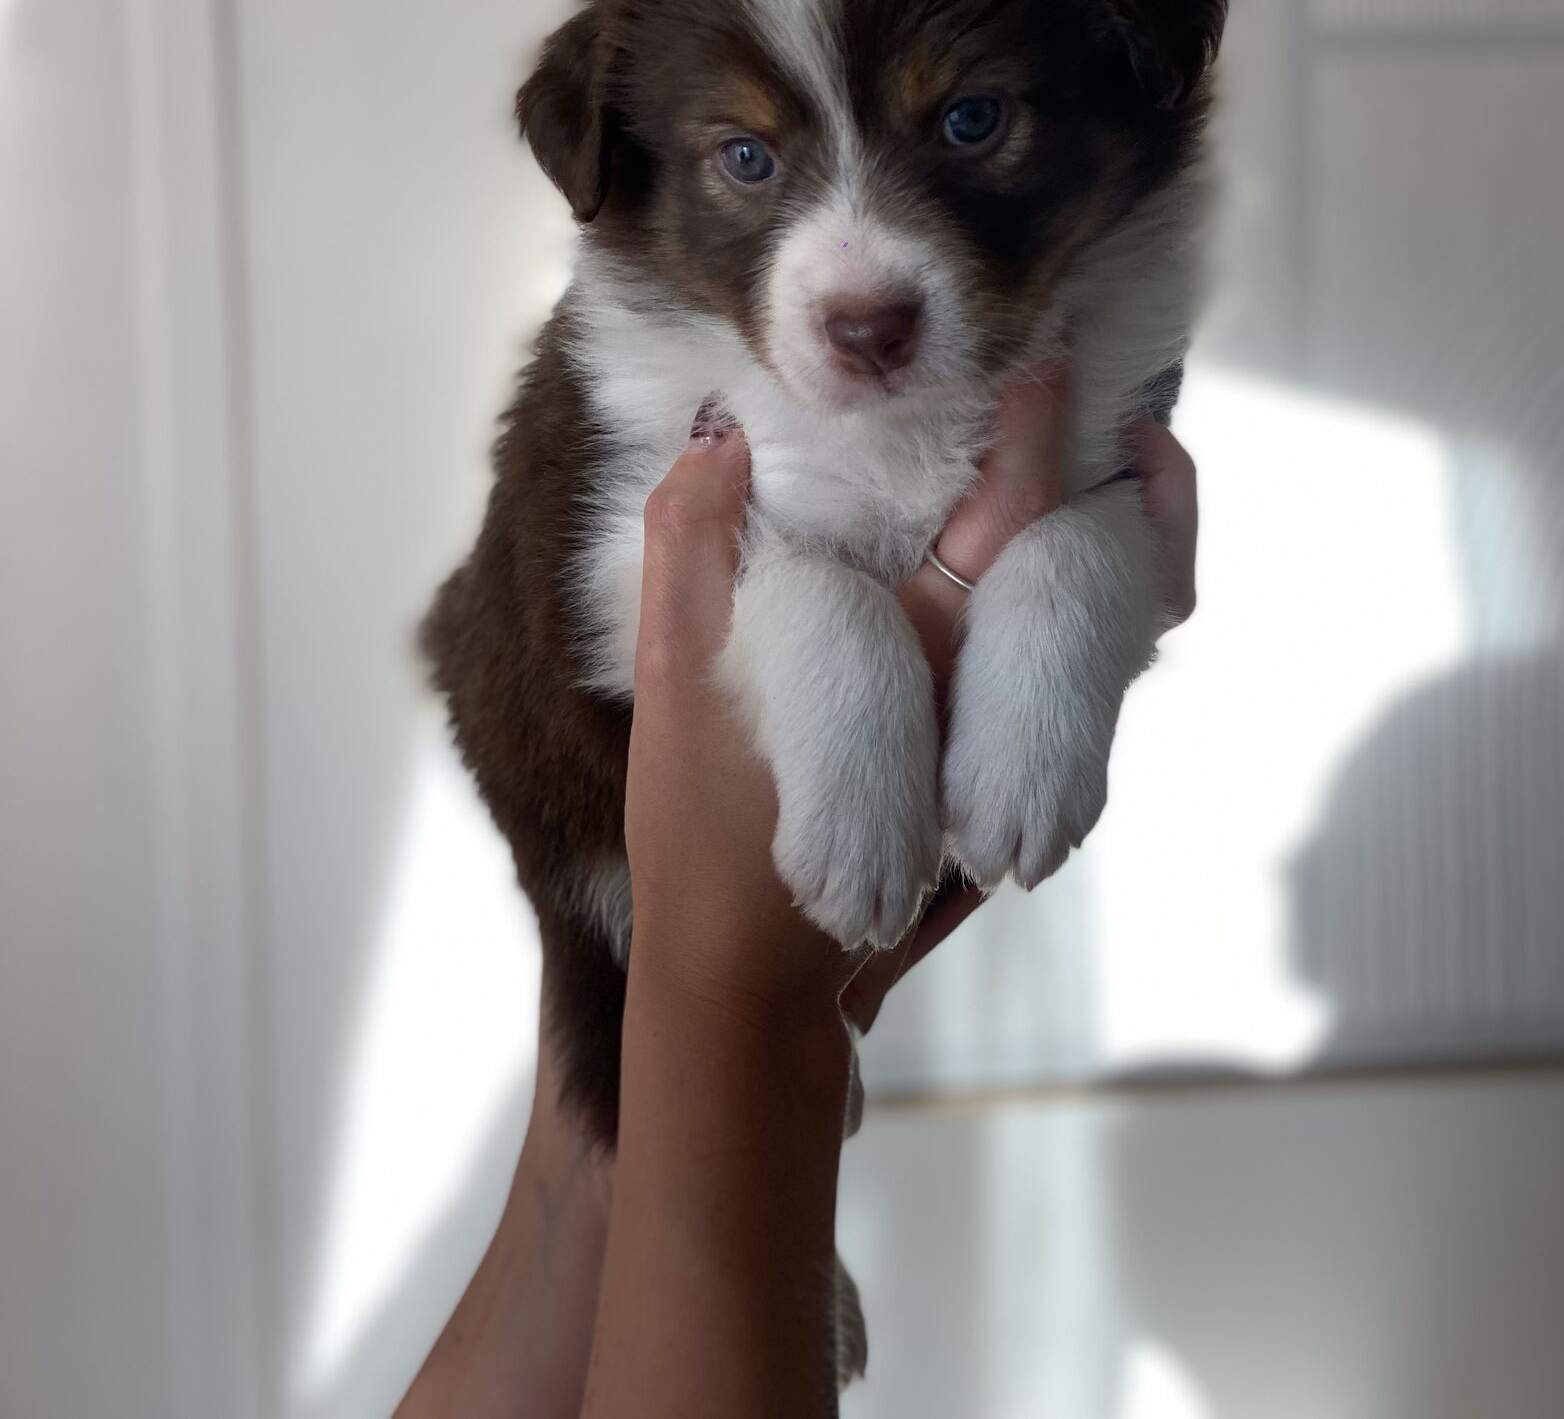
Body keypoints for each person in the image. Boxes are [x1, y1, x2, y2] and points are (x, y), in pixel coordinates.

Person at [398, 367, 1199, 1419]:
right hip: (597, 829)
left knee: (595, 1158)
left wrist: (1088, 576)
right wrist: (739, 1025)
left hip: (663, 952)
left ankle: (619, 1147)